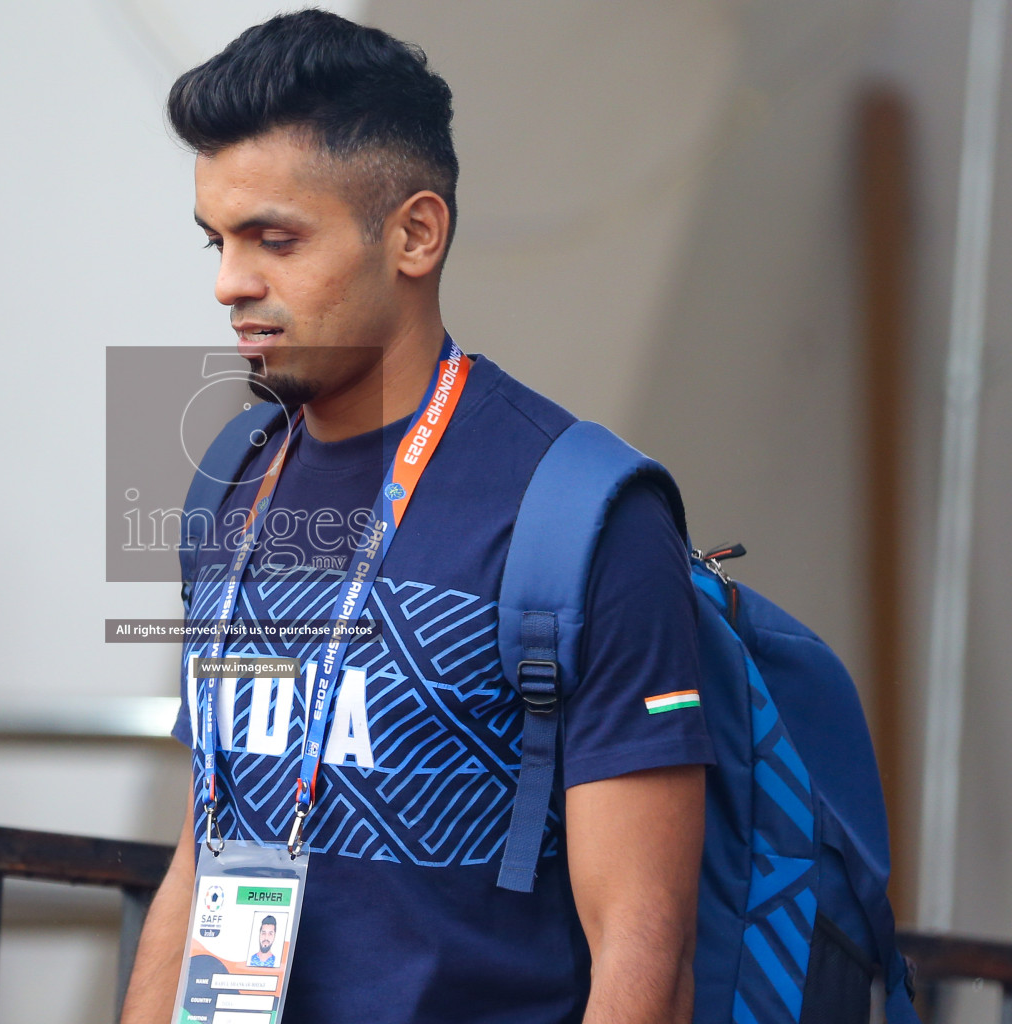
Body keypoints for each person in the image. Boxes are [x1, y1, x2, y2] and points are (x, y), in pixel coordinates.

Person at [119, 11, 712, 1024]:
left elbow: (643, 948)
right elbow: (200, 843)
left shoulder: (582, 515)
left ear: (415, 233)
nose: (230, 284)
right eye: (218, 240)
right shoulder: (231, 483)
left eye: (275, 238)